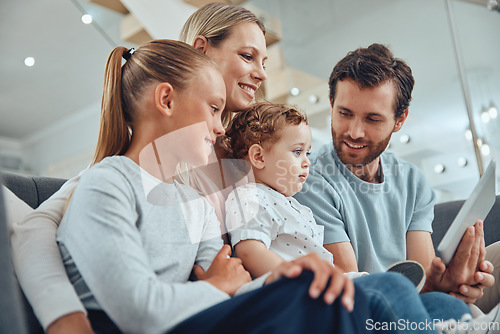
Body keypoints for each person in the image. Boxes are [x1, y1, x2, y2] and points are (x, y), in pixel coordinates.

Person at [9, 3, 267, 333]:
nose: (261, 72)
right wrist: (65, 317)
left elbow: (232, 278)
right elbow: (34, 230)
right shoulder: (112, 179)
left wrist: (286, 282)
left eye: (264, 61)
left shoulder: (242, 162)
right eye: (247, 56)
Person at [293, 44, 499, 317]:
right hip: (369, 310)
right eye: (345, 113)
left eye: (372, 119)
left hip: (416, 300)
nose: (354, 132)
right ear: (331, 104)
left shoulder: (412, 181)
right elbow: (355, 289)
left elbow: (422, 278)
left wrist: (452, 284)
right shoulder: (309, 179)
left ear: (400, 120)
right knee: (458, 311)